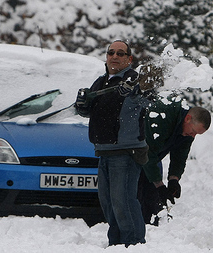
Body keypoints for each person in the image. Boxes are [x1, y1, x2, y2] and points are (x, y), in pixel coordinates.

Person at [75, 40, 149, 247]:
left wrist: (135, 91)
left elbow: (149, 102)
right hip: (104, 152)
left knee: (123, 201)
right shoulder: (100, 82)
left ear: (129, 59)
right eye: (111, 53)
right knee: (108, 203)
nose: (114, 56)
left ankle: (133, 244)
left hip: (125, 152)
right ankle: (116, 244)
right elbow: (91, 110)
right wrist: (82, 106)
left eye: (120, 53)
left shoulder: (136, 81)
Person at [138, 95, 211, 225]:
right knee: (137, 195)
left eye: (196, 134)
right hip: (132, 154)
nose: (192, 136)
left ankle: (149, 229)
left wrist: (174, 179)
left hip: (149, 159)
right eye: (193, 131)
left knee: (151, 198)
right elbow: (149, 152)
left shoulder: (187, 130)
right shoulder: (163, 115)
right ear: (188, 118)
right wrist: (160, 186)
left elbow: (180, 156)